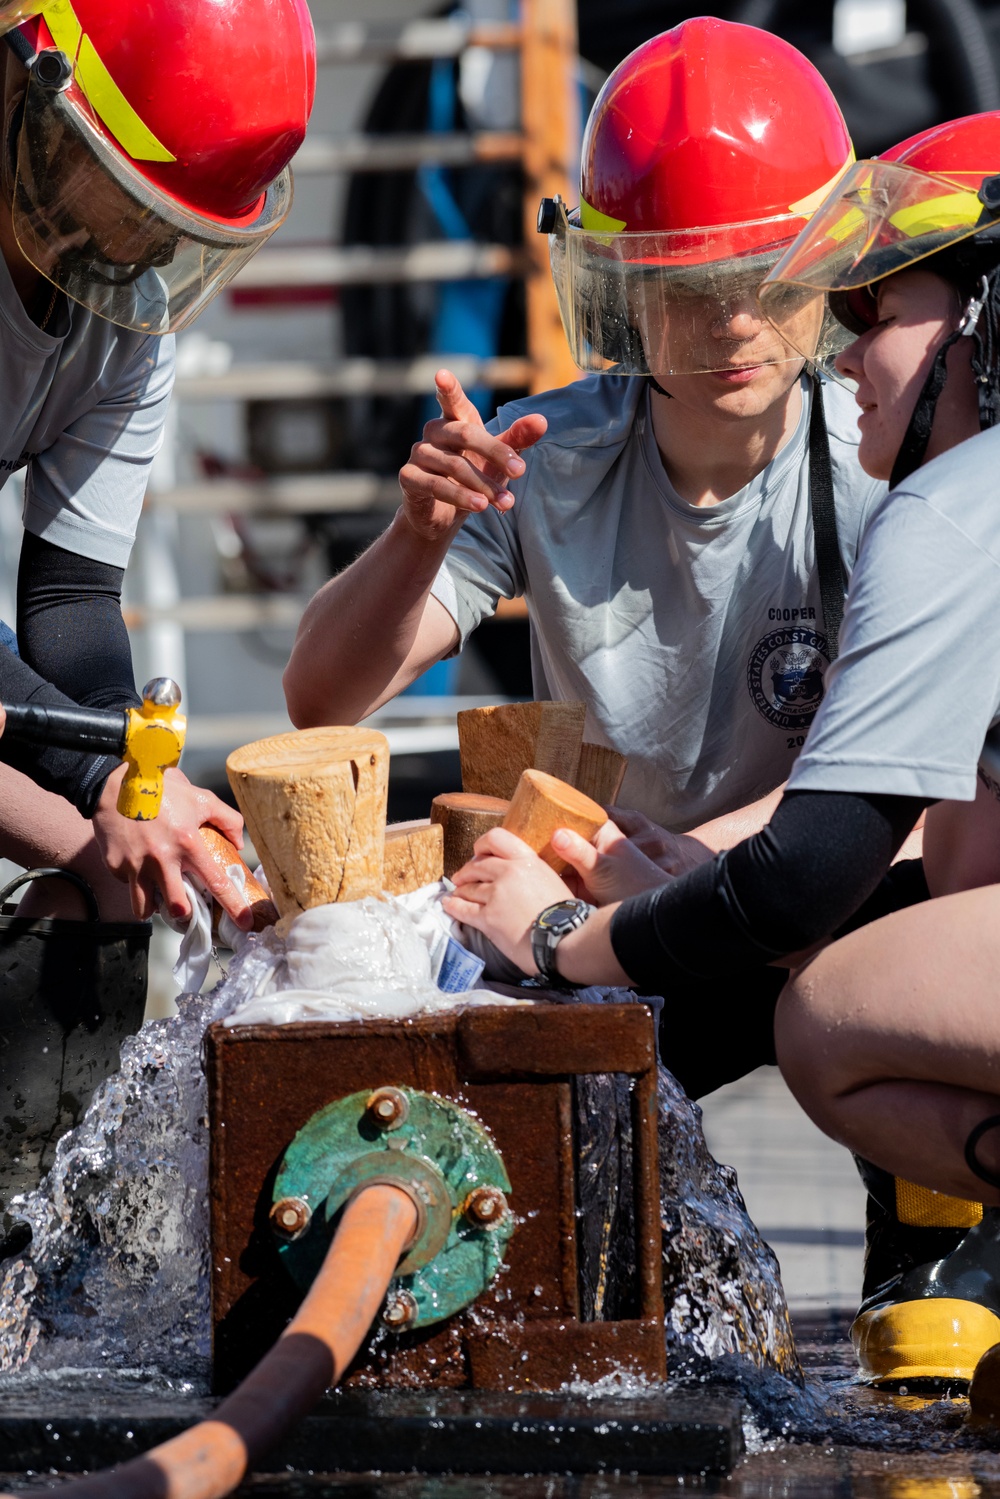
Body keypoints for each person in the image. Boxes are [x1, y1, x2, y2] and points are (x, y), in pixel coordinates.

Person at [442, 110, 1000, 1388]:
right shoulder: (566, 451)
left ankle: (956, 1243)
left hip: (706, 897)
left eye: (876, 315)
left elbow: (811, 871)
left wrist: (556, 939)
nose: (846, 353)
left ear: (987, 325)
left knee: (835, 1011)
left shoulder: (941, 509)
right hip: (717, 871)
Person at [285, 15, 892, 1098]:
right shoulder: (547, 457)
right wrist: (415, 538)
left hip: (808, 899)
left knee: (887, 961)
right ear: (619, 291)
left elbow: (913, 784)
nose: (737, 324)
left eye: (771, 275)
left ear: (831, 274)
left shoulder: (880, 457)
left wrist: (703, 870)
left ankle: (920, 1239)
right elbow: (321, 698)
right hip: (608, 921)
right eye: (692, 288)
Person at [0, 0, 315, 928]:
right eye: (132, 201)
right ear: (34, 82)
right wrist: (102, 765)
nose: (146, 250)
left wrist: (139, 781)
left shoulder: (120, 308)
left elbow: (70, 603)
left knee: (125, 875)